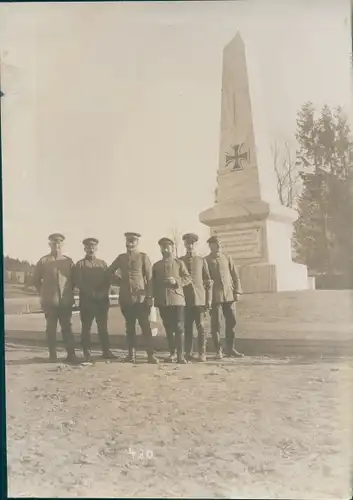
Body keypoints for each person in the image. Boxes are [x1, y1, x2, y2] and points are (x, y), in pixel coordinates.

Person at [108, 232, 159, 364]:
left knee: (145, 327)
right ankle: (131, 355)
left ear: (137, 243)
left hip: (141, 299)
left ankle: (150, 354)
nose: (130, 244)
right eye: (128, 241)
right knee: (129, 327)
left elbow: (150, 279)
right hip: (126, 298)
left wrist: (149, 296)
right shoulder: (121, 258)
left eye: (133, 241)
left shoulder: (143, 257)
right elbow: (109, 271)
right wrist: (119, 281)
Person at [32, 233, 79, 364]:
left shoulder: (68, 261)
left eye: (59, 243)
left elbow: (74, 280)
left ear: (62, 244)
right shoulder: (43, 261)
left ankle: (71, 354)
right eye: (53, 243)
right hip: (50, 301)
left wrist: (69, 293)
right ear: (49, 245)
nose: (56, 245)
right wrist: (44, 292)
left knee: (67, 327)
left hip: (65, 301)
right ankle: (52, 355)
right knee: (51, 328)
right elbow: (35, 280)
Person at [74, 238, 116, 362]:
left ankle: (106, 351)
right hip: (87, 302)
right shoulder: (80, 264)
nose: (90, 249)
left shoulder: (102, 264)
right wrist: (91, 293)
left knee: (103, 327)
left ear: (96, 248)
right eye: (88, 247)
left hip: (101, 301)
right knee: (86, 328)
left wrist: (102, 293)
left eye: (93, 247)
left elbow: (108, 281)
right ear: (85, 249)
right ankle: (86, 352)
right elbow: (78, 282)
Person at [152, 237, 192, 364]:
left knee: (179, 327)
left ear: (172, 248)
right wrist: (152, 297)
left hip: (177, 299)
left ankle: (181, 355)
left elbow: (188, 278)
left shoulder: (179, 263)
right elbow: (153, 283)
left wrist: (176, 282)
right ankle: (172, 353)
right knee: (168, 327)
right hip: (163, 301)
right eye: (162, 247)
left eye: (167, 246)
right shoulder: (156, 265)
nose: (164, 249)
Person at [206, 235, 244, 359]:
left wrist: (237, 291)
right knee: (216, 324)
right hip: (215, 297)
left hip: (229, 295)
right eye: (214, 244)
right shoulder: (206, 260)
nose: (217, 246)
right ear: (210, 246)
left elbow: (235, 276)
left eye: (218, 244)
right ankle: (218, 350)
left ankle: (230, 349)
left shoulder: (227, 258)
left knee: (231, 322)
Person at [180, 233, 213, 362]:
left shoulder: (201, 260)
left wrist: (208, 299)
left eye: (192, 243)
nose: (190, 245)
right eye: (187, 243)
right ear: (184, 244)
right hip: (185, 300)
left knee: (201, 327)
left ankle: (202, 353)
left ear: (195, 244)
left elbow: (208, 281)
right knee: (187, 327)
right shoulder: (180, 260)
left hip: (199, 299)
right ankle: (188, 352)